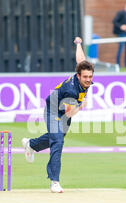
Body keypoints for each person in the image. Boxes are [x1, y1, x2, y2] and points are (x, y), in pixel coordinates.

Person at [21, 37, 93, 193]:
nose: (88, 80)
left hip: (64, 111)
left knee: (56, 137)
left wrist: (79, 44)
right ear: (78, 76)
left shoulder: (83, 74)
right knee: (58, 141)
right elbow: (70, 112)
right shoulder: (71, 90)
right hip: (53, 109)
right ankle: (54, 181)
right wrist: (81, 105)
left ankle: (31, 145)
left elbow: (81, 60)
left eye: (90, 77)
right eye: (85, 77)